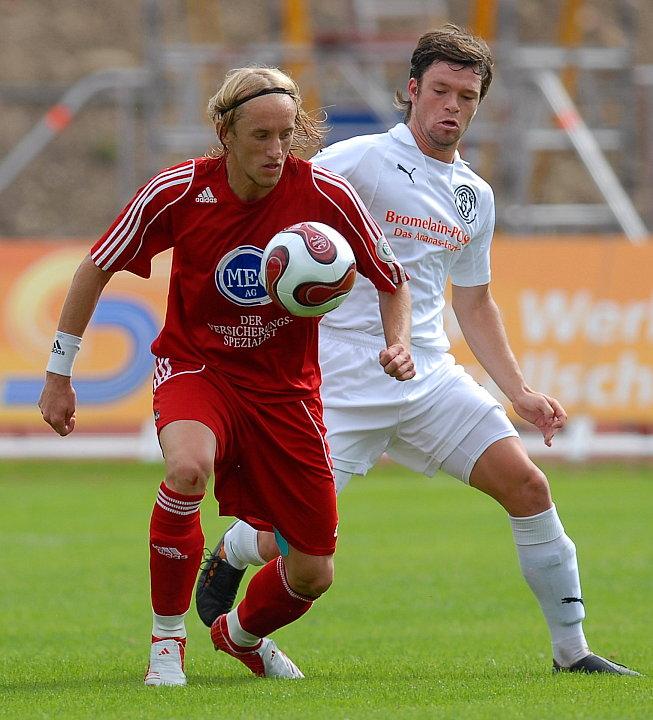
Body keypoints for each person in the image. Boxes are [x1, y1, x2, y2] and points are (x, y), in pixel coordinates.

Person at [196, 26, 640, 676]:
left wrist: (519, 392)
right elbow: (271, 213)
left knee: (528, 485)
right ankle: (237, 556)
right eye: (439, 90)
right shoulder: (360, 162)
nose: (451, 107)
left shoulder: (473, 196)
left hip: (428, 381)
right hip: (338, 389)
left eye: (466, 95)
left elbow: (474, 302)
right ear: (411, 91)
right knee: (294, 545)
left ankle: (571, 652)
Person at [38, 66, 415, 686]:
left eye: (287, 136)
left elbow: (392, 278)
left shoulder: (324, 197)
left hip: (286, 391)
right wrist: (59, 373)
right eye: (261, 136)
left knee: (314, 570)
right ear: (225, 132)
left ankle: (238, 635)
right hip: (198, 368)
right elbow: (94, 267)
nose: (276, 152)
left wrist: (398, 343)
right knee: (186, 468)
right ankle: (167, 641)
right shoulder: (179, 191)